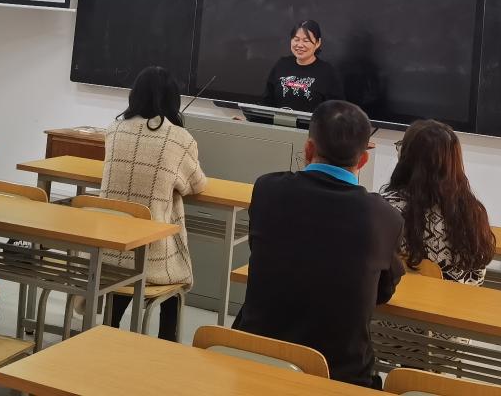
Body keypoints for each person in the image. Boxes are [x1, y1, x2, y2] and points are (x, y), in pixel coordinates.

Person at [234, 100, 403, 387]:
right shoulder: (384, 216)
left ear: (309, 149)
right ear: (363, 160)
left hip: (256, 362)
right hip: (338, 377)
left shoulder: (266, 189)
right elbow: (383, 292)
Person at [99, 66, 208, 340]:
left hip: (108, 251)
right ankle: (166, 345)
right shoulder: (179, 138)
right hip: (153, 258)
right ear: (173, 99)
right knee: (179, 279)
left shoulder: (113, 130)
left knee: (124, 270)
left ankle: (106, 333)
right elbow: (197, 185)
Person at [381, 120, 496, 285]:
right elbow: (478, 276)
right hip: (458, 299)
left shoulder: (387, 208)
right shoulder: (473, 213)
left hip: (401, 297)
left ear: (407, 159)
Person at [263, 20, 345, 110]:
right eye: (296, 39)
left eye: (306, 41)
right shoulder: (282, 64)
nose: (300, 45)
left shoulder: (327, 72)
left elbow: (336, 110)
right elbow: (267, 100)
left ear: (317, 43)